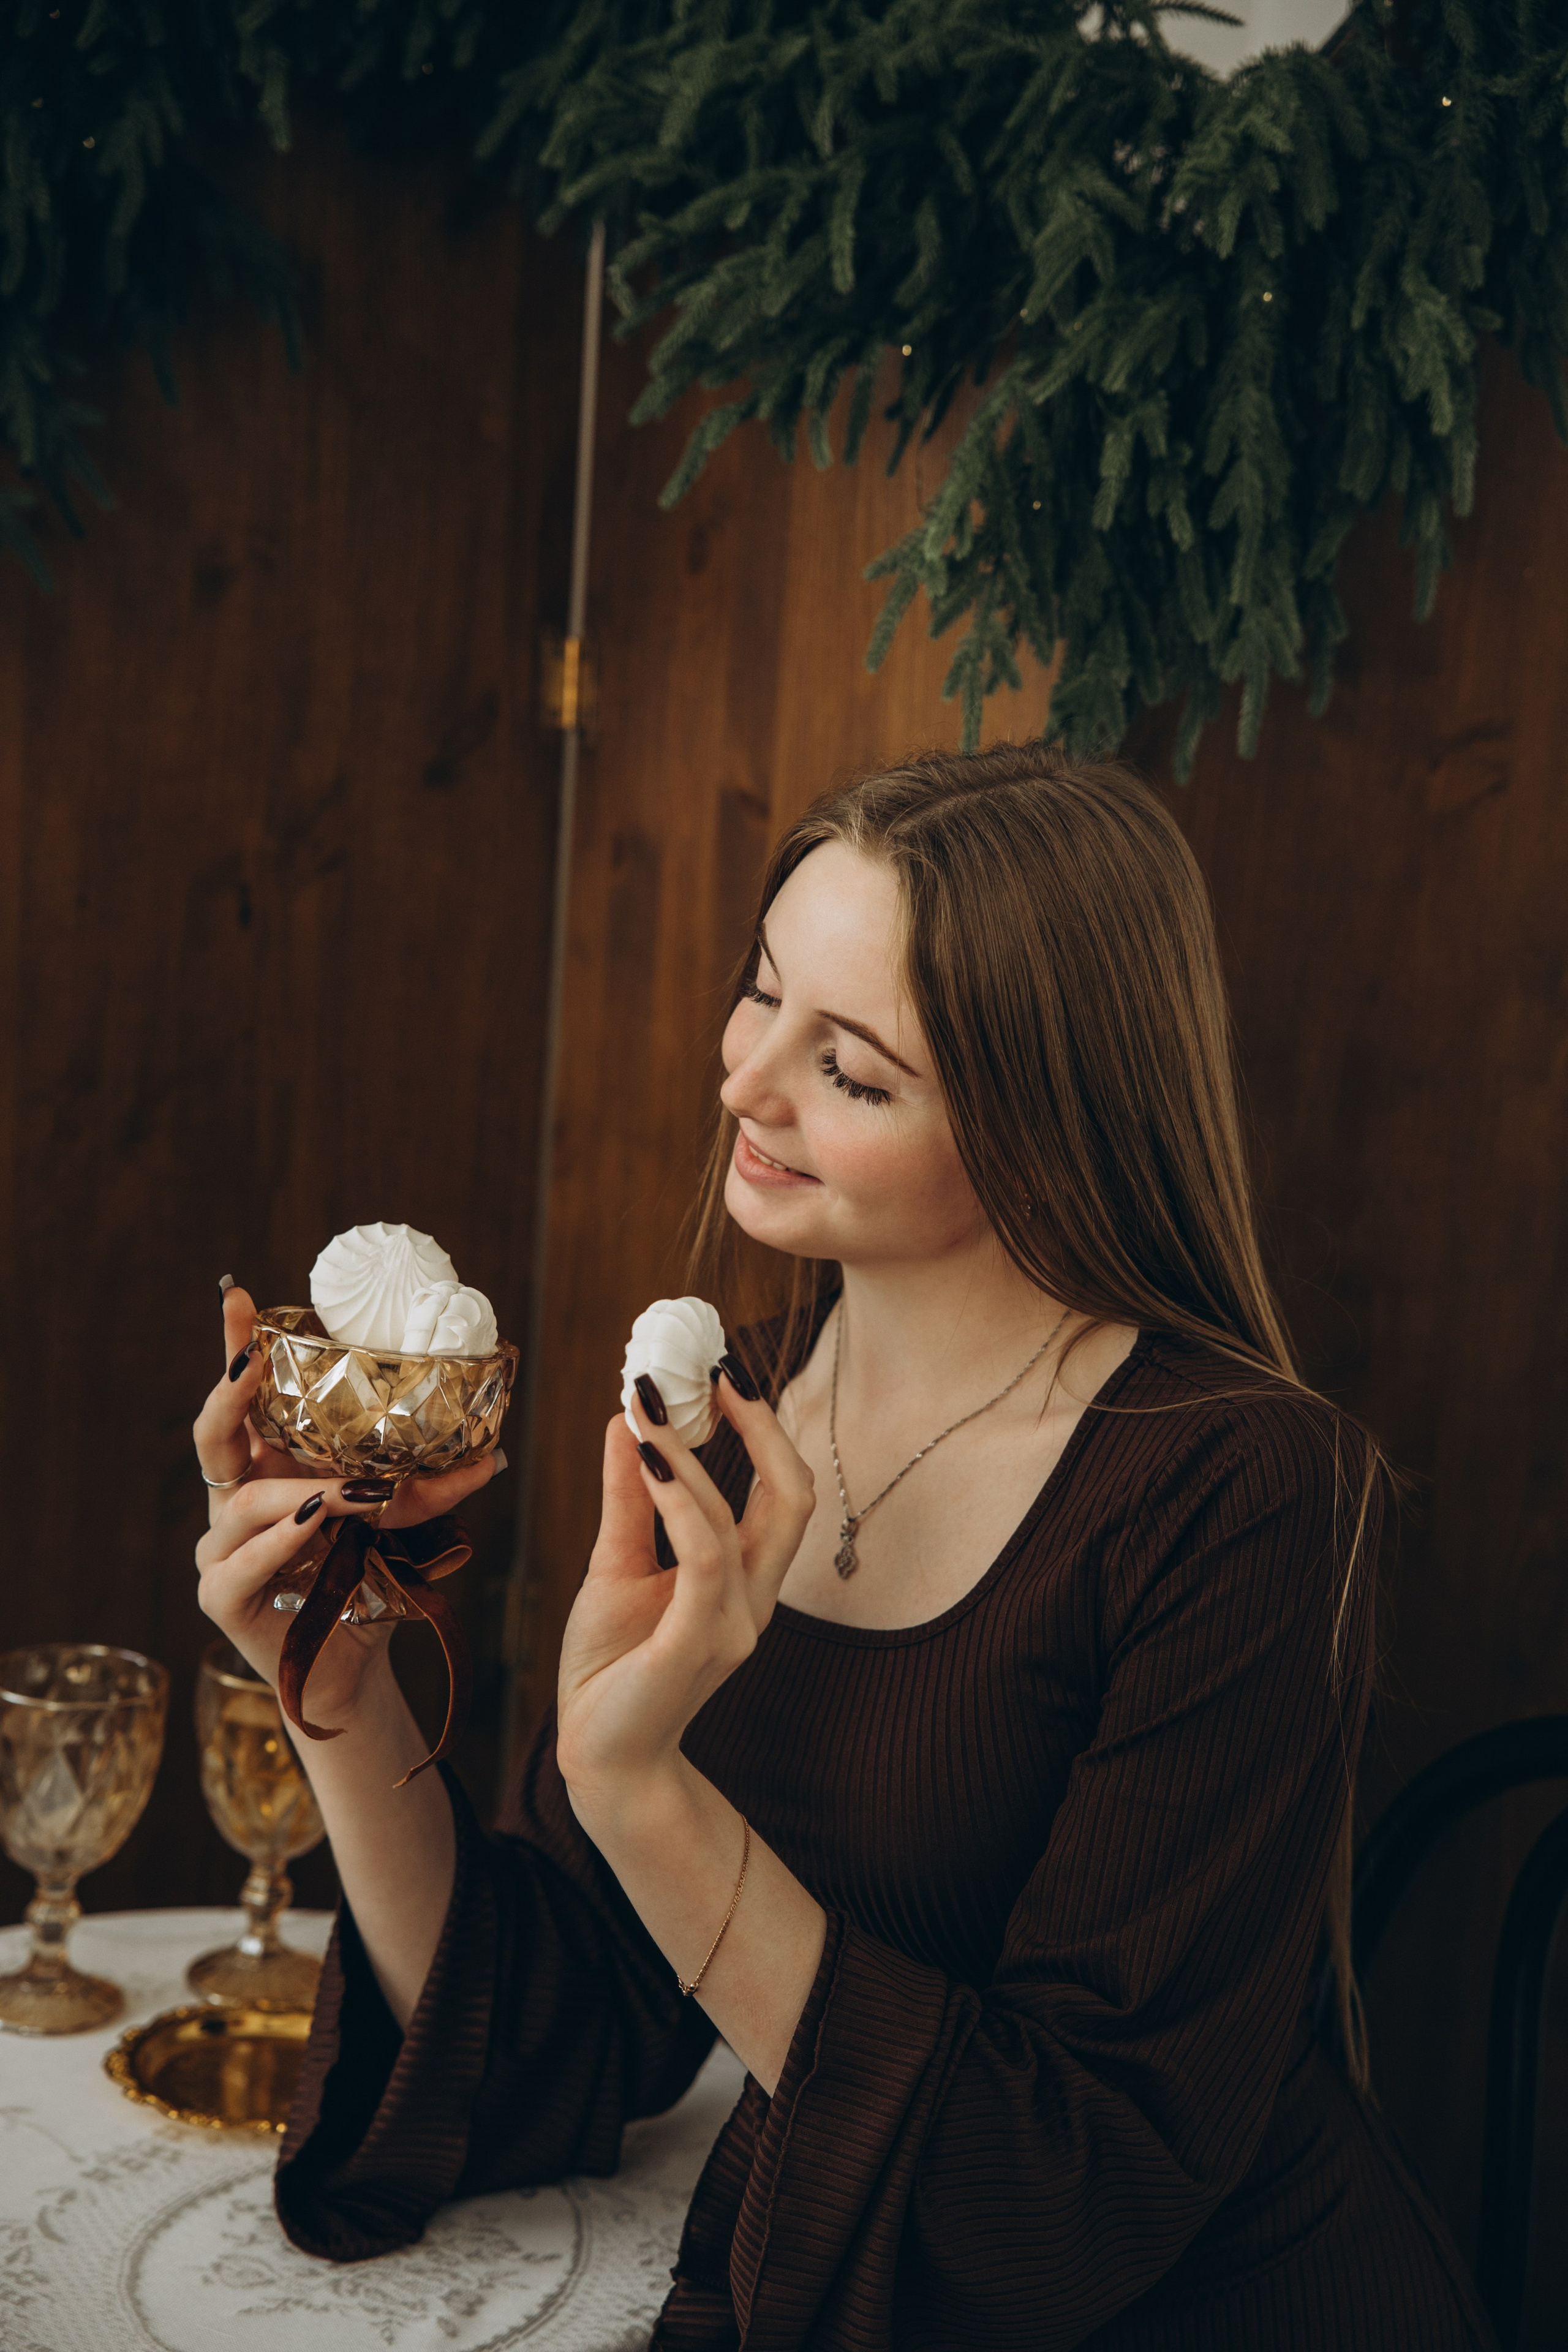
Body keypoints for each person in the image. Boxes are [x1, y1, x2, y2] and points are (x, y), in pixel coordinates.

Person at [193, 745, 1495, 2350]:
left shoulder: (1245, 1492)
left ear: (1044, 1122)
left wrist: (644, 1789)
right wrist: (343, 1683)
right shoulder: (726, 1396)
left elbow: (1065, 2195)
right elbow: (561, 2019)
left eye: (854, 1070)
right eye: (761, 995)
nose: (745, 1085)